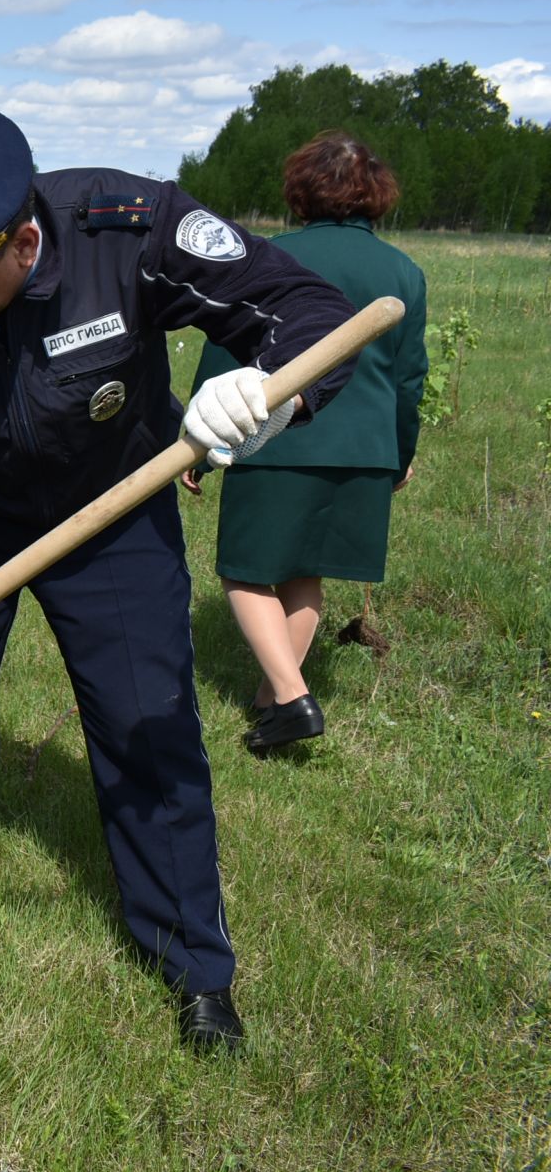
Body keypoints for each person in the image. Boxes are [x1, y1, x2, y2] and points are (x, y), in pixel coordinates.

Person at [0, 105, 357, 1053]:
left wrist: (266, 388)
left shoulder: (130, 228)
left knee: (146, 730)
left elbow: (309, 309)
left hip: (114, 510)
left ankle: (194, 968)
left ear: (22, 240)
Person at [182, 132, 427, 753]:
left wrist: (196, 441)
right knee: (302, 572)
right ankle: (271, 703)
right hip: (366, 449)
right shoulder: (405, 270)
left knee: (244, 572)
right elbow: (408, 377)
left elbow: (225, 353)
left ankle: (292, 700)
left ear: (300, 191)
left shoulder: (270, 257)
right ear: (377, 195)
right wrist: (401, 454)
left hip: (281, 437)